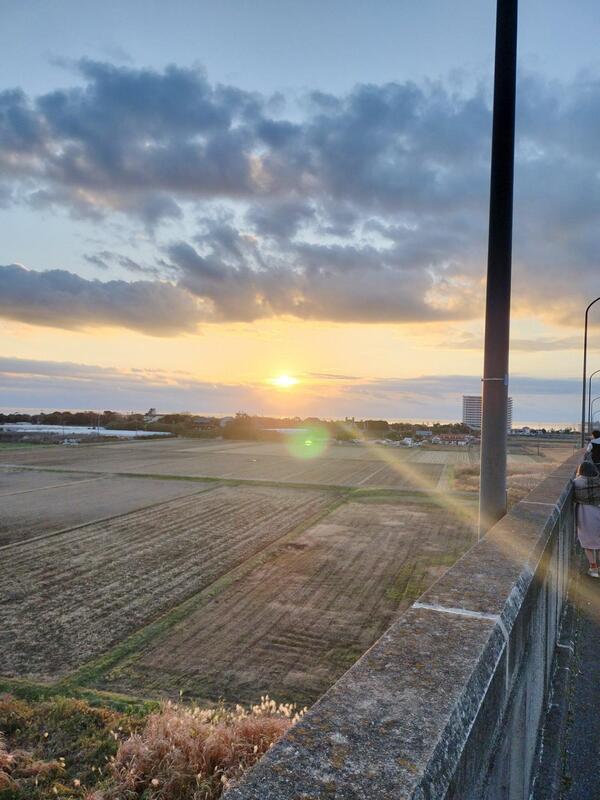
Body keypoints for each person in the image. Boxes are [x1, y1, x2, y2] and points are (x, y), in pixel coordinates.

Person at [573, 460, 600, 578]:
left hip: (586, 514)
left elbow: (574, 496)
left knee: (588, 541)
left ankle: (593, 568)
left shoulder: (577, 483)